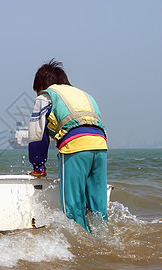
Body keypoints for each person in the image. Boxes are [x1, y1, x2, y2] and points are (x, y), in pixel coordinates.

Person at [28, 59, 108, 232]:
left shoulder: (46, 95)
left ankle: (80, 251)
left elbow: (37, 133)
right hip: (100, 147)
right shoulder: (85, 95)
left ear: (41, 85)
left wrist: (38, 166)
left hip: (75, 147)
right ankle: (104, 244)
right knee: (98, 209)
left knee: (72, 207)